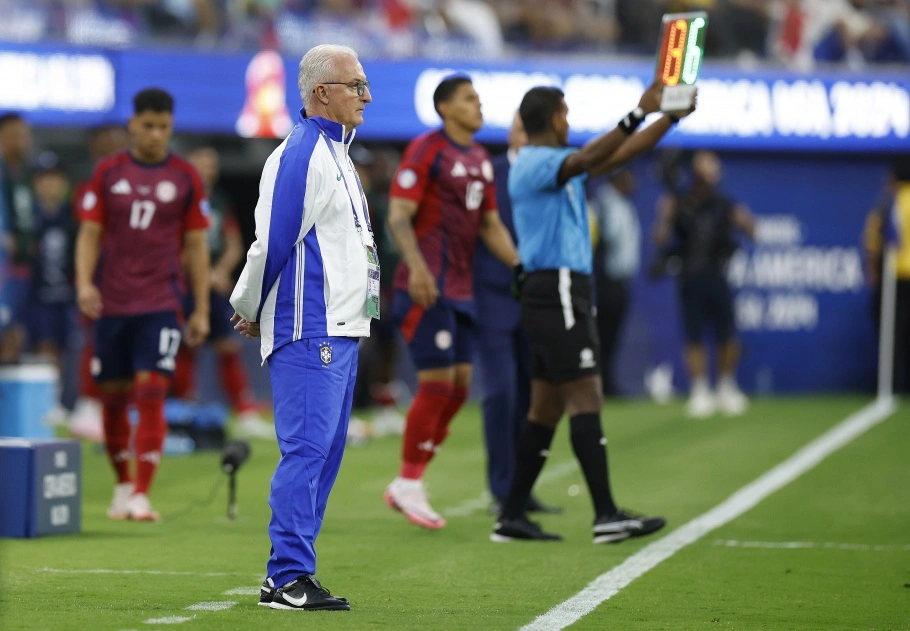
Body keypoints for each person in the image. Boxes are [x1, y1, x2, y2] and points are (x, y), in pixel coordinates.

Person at [491, 81, 692, 543]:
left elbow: (616, 156)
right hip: (558, 288)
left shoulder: (556, 163)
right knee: (586, 397)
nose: (570, 119)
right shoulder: (536, 162)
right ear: (552, 118)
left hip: (555, 291)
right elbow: (590, 158)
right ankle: (606, 515)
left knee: (545, 409)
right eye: (565, 112)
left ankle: (511, 515)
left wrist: (668, 118)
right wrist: (636, 113)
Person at [229, 44, 373, 611]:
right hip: (309, 326)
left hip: (342, 327)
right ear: (321, 93)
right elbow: (275, 238)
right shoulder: (304, 153)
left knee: (325, 454)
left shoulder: (339, 152)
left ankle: (293, 572)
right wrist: (251, 302)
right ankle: (286, 575)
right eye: (355, 85)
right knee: (307, 452)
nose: (366, 95)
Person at [384, 75, 520, 529]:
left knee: (459, 389)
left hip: (462, 291)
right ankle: (408, 481)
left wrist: (521, 267)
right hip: (426, 286)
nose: (478, 105)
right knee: (438, 384)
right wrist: (418, 268)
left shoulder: (481, 158)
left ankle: (410, 481)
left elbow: (491, 225)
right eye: (468, 99)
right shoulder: (427, 149)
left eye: (479, 98)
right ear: (444, 107)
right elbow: (398, 215)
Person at [75, 88, 211, 521]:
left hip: (160, 302)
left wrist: (202, 308)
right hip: (112, 304)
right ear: (133, 124)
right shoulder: (107, 172)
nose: (155, 135)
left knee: (152, 393)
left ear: (171, 127)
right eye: (148, 126)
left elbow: (196, 247)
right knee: (113, 399)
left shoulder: (186, 177)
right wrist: (84, 284)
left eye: (164, 127)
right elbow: (90, 234)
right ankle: (121, 484)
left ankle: (141, 493)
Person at [474, 111, 560, 517]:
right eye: (522, 128)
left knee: (533, 394)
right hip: (492, 294)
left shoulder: (550, 174)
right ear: (510, 132)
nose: (526, 136)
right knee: (501, 392)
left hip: (537, 297)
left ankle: (523, 488)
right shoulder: (487, 172)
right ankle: (503, 488)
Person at [170, 145, 274, 439]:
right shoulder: (178, 197)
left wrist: (221, 271)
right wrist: (200, 271)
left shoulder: (218, 200)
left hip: (213, 285)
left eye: (212, 165)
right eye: (202, 163)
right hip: (185, 283)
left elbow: (234, 243)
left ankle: (244, 409)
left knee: (226, 346)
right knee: (186, 344)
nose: (209, 170)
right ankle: (182, 410)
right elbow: (173, 244)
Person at [653, 151, 755, 418]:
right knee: (694, 335)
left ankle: (725, 386)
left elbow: (753, 231)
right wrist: (665, 216)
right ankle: (700, 390)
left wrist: (746, 221)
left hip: (718, 275)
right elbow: (660, 240)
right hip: (690, 277)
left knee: (726, 334)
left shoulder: (723, 203)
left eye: (713, 166)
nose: (710, 171)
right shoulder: (679, 202)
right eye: (705, 165)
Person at [69, 126, 132, 440]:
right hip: (100, 276)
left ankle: (117, 406)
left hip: (133, 280)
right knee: (96, 340)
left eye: (120, 145)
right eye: (109, 146)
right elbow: (89, 232)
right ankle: (88, 403)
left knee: (130, 343)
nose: (116, 151)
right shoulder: (89, 187)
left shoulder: (136, 183)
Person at [28, 152, 77, 422]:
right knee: (43, 347)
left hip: (65, 294)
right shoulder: (28, 215)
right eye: (44, 179)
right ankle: (43, 403)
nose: (50, 185)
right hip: (37, 295)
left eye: (55, 179)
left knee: (65, 348)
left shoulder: (71, 215)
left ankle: (58, 403)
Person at [590, 169, 640, 397]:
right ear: (618, 179)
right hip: (605, 281)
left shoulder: (621, 203)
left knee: (610, 336)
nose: (633, 181)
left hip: (620, 279)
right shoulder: (604, 203)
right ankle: (597, 383)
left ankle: (606, 381)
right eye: (629, 177)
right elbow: (601, 242)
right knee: (599, 335)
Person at [0, 112, 35, 364]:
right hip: (4, 266)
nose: (22, 140)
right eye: (15, 134)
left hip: (20, 268)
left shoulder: (23, 172)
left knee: (15, 334)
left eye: (25, 134)